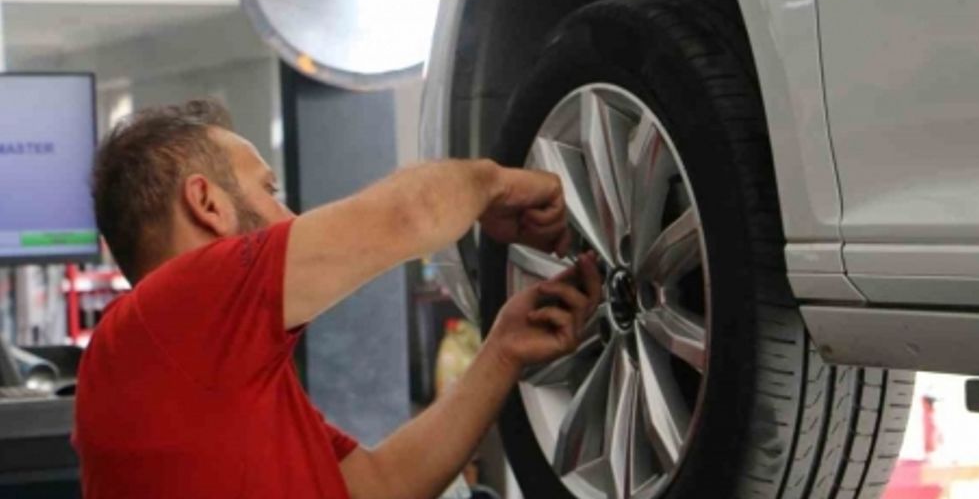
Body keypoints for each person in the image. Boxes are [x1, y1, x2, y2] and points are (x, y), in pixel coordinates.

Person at [74, 99, 602, 499]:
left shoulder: (205, 373)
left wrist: (503, 350)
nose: (290, 217)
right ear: (206, 203)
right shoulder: (167, 318)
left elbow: (381, 483)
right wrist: (495, 184)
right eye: (270, 190)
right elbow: (411, 214)